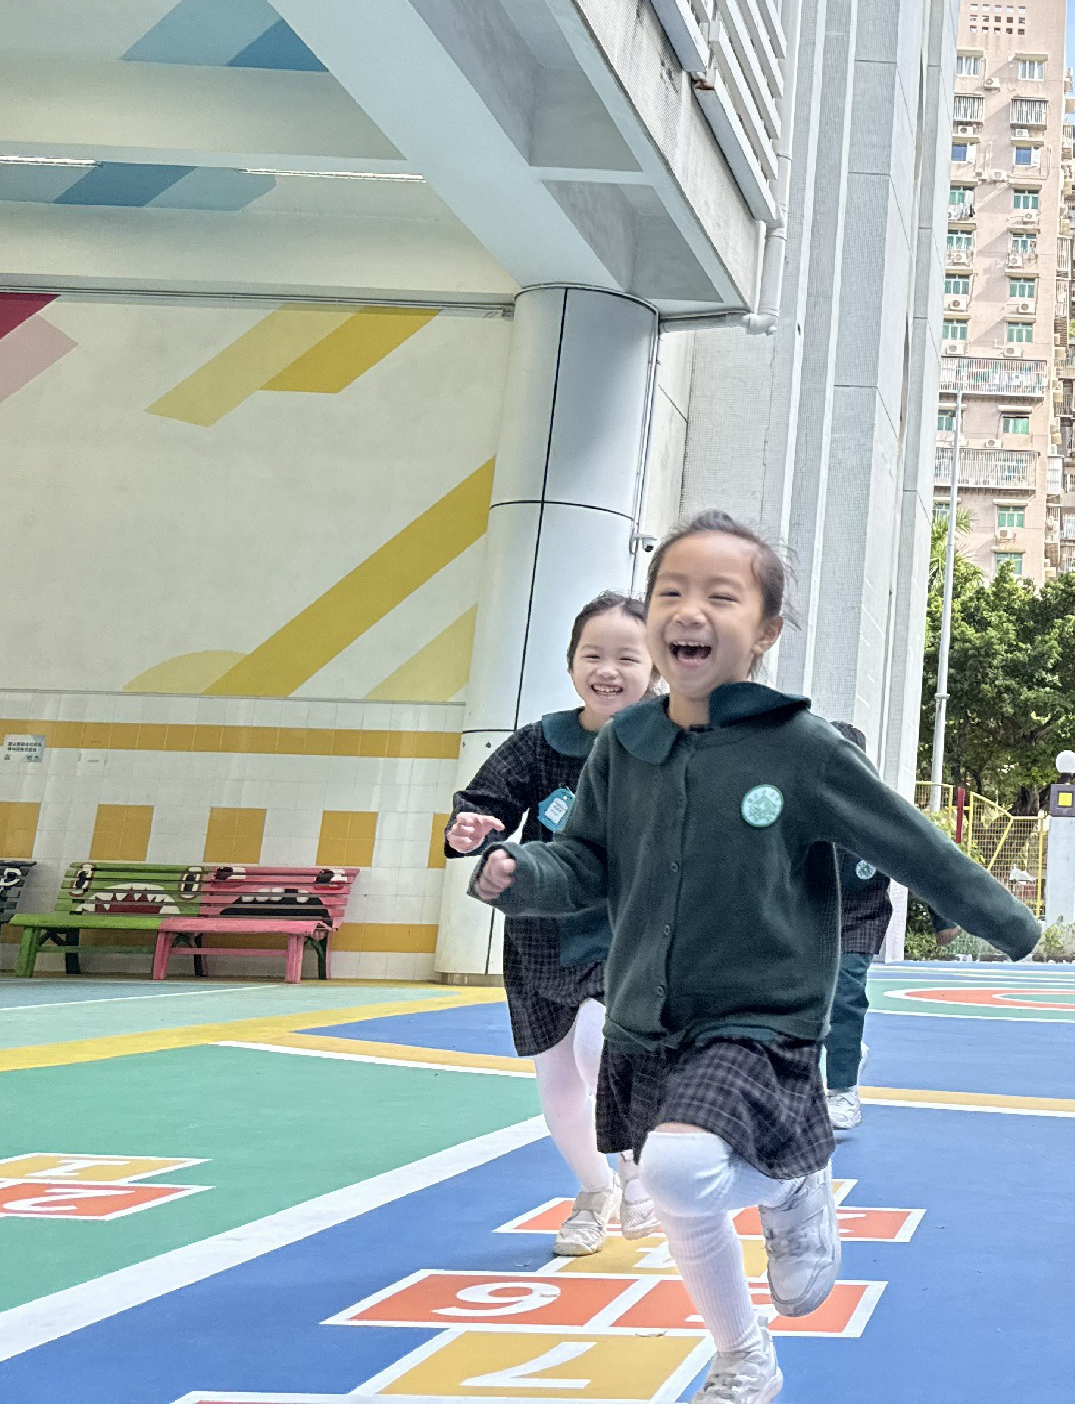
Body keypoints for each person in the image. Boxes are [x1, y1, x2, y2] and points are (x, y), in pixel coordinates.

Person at [473, 510, 1041, 1404]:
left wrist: (1010, 926)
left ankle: (792, 1177)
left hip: (760, 1015)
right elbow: (585, 860)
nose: (689, 609)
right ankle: (744, 1356)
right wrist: (523, 873)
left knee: (674, 1171)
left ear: (766, 631)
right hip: (646, 1016)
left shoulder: (801, 747)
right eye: (671, 590)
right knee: (679, 1190)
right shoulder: (626, 745)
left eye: (721, 595)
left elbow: (911, 844)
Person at [444, 592, 657, 1255]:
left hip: (627, 933)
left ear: (656, 668)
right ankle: (595, 1189)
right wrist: (471, 831)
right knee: (558, 1081)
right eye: (593, 655)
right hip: (541, 936)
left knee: (601, 1045)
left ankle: (639, 1165)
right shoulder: (540, 743)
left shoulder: (669, 743)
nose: (608, 670)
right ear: (571, 664)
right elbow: (482, 806)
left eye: (627, 658)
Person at [821, 722, 956, 1135]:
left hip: (860, 917)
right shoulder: (800, 804)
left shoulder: (883, 816)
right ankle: (845, 1049)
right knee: (803, 1002)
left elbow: (924, 862)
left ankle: (842, 1090)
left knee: (845, 993)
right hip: (807, 916)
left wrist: (943, 918)